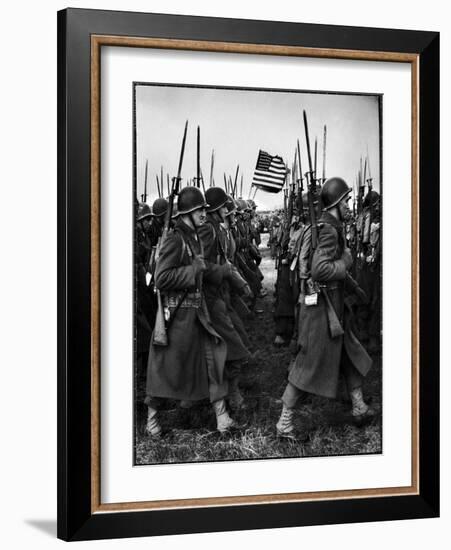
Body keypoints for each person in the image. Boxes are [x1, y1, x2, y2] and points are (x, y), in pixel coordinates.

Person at [276, 177, 375, 440]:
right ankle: (284, 423)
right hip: (322, 309)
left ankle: (358, 406)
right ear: (337, 203)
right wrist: (346, 261)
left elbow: (334, 267)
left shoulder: (328, 227)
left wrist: (353, 287)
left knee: (348, 353)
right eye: (346, 201)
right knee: (309, 364)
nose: (348, 205)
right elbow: (321, 270)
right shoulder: (329, 230)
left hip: (333, 305)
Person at [145, 186, 237, 436]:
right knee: (165, 370)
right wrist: (193, 271)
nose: (204, 214)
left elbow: (201, 267)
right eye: (199, 210)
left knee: (213, 360)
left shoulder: (194, 236)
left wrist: (212, 271)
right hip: (177, 319)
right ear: (186, 213)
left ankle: (222, 418)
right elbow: (161, 278)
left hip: (197, 314)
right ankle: (152, 420)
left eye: (204, 209)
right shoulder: (175, 239)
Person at [199, 187, 251, 411]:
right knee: (233, 347)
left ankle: (230, 393)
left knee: (235, 344)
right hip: (210, 299)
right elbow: (200, 264)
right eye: (224, 209)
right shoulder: (207, 231)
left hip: (220, 295)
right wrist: (222, 271)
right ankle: (232, 396)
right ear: (218, 209)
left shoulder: (214, 229)